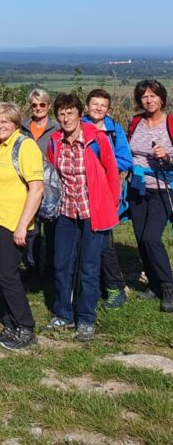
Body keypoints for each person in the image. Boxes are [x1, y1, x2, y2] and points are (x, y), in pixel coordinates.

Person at [44, 94, 120, 342]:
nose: (66, 118)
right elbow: (54, 177)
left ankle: (86, 318)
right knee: (62, 264)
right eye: (61, 114)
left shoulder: (97, 140)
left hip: (93, 213)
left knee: (89, 267)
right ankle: (63, 313)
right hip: (66, 212)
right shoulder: (55, 142)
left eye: (70, 113)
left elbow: (112, 175)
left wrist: (111, 207)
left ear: (79, 113)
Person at [0, 103, 44, 350]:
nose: (0, 125)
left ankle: (25, 328)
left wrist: (22, 226)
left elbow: (36, 189)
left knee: (8, 275)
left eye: (6, 121)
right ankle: (10, 325)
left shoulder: (24, 146)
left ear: (16, 123)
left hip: (13, 223)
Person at [83, 88, 133, 309]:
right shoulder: (78, 126)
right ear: (87, 106)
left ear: (108, 109)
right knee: (81, 240)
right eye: (95, 104)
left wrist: (102, 167)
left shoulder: (114, 130)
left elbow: (125, 159)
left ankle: (115, 286)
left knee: (104, 241)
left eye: (103, 105)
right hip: (80, 191)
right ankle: (88, 284)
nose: (99, 108)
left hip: (104, 192)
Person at [127, 79, 173, 312]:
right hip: (137, 187)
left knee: (151, 238)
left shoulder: (171, 123)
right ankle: (154, 285)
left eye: (153, 95)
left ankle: (168, 286)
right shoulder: (136, 122)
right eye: (144, 96)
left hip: (163, 188)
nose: (149, 100)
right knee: (140, 237)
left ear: (162, 98)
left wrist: (167, 157)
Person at [21, 88, 60, 280]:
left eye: (42, 104)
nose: (38, 108)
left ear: (49, 106)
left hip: (52, 186)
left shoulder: (58, 128)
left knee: (52, 231)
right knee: (31, 230)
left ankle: (51, 269)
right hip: (27, 185)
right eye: (34, 105)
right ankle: (32, 268)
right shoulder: (22, 127)